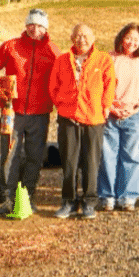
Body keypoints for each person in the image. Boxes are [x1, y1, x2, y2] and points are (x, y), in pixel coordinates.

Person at [0, 8, 60, 214]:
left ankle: (27, 196)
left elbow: (62, 78)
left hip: (40, 113)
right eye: (32, 24)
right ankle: (7, 198)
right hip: (12, 112)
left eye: (41, 25)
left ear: (46, 28)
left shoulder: (53, 51)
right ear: (26, 25)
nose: (36, 29)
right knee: (10, 154)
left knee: (35, 156)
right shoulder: (11, 46)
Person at [49, 24, 116, 219]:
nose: (82, 39)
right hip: (68, 118)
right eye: (77, 36)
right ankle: (68, 202)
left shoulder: (103, 60)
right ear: (71, 38)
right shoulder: (62, 60)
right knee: (69, 163)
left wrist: (104, 106)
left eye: (85, 36)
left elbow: (109, 85)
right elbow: (53, 86)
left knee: (91, 163)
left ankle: (89, 202)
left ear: (93, 38)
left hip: (93, 118)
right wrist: (62, 104)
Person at [98, 23, 139, 212]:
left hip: (134, 115)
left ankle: (128, 196)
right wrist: (110, 107)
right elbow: (100, 86)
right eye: (128, 38)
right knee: (107, 156)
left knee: (132, 156)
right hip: (110, 115)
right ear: (121, 38)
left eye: (136, 39)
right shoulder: (109, 58)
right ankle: (107, 196)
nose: (131, 42)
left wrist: (138, 106)